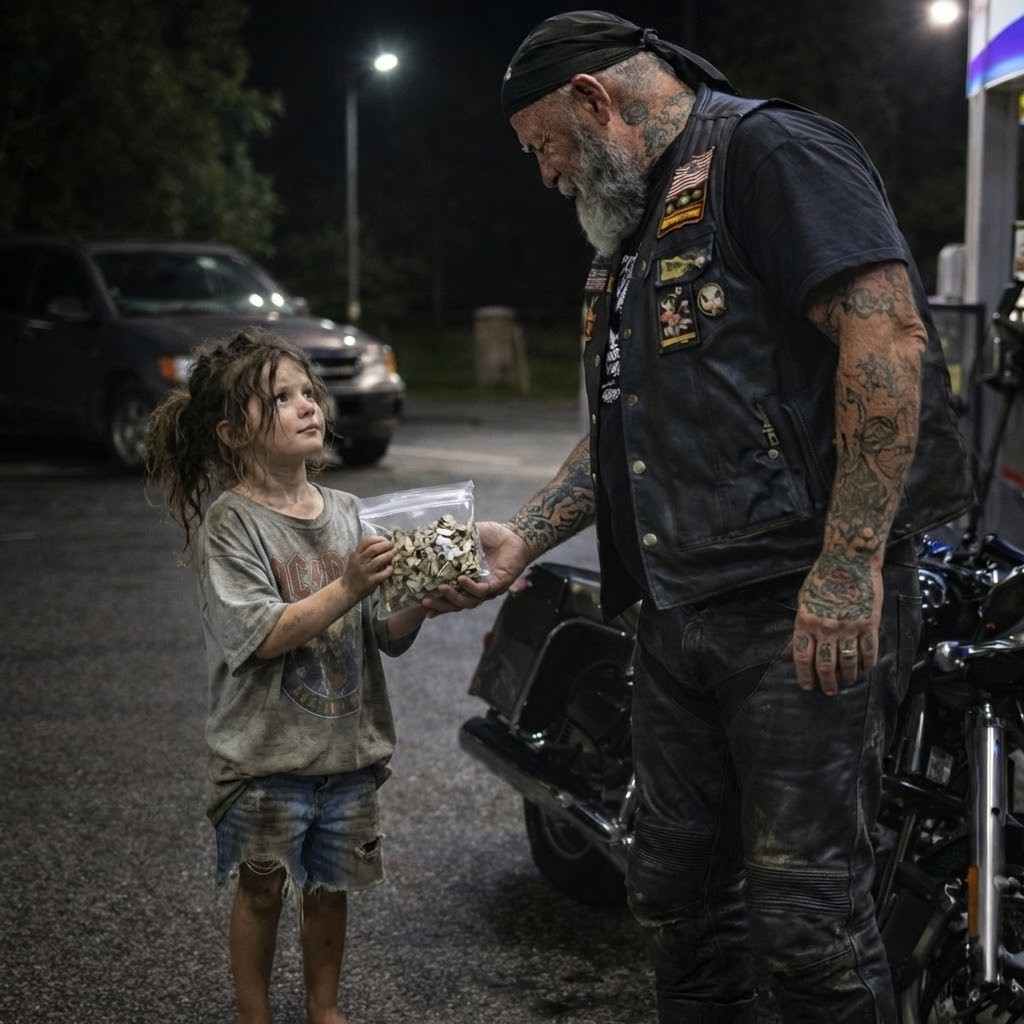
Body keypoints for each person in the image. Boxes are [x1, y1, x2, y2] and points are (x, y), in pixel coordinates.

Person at [424, 11, 974, 1023]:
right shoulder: (632, 222)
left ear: (592, 102)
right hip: (677, 613)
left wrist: (849, 564)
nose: (544, 174)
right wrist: (527, 535)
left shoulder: (770, 154)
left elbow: (887, 341)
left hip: (795, 617)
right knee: (675, 895)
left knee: (808, 924)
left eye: (543, 146)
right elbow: (627, 416)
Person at [145, 328, 425, 1024]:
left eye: (308, 393)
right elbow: (263, 634)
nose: (306, 406)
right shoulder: (232, 523)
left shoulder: (352, 514)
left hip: (347, 750)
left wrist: (423, 595)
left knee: (331, 888)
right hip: (265, 755)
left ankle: (323, 1010)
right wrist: (353, 584)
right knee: (263, 889)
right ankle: (254, 1014)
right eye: (280, 398)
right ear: (233, 433)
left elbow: (386, 635)